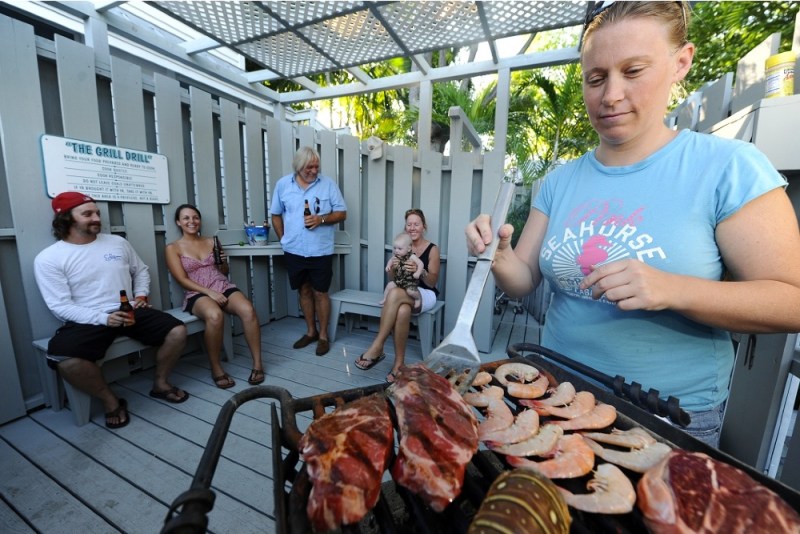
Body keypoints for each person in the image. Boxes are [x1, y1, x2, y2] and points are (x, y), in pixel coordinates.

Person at [465, 1, 800, 448]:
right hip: (554, 391)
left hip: (667, 415)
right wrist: (500, 256)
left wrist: (671, 289)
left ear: (681, 62)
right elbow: (524, 279)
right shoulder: (560, 180)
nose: (611, 95)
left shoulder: (729, 168)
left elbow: (790, 301)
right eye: (596, 78)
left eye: (633, 71)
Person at [34, 192, 190, 429]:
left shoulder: (117, 243)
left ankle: (161, 384)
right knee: (65, 359)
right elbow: (60, 306)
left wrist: (140, 295)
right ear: (66, 218)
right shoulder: (49, 258)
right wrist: (104, 318)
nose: (96, 218)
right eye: (87, 214)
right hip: (89, 317)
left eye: (97, 212)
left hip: (130, 309)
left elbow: (141, 270)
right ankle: (111, 402)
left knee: (177, 331)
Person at [165, 204, 265, 389]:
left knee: (247, 309)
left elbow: (224, 272)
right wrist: (209, 292)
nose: (191, 221)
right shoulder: (173, 248)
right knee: (215, 315)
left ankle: (258, 364)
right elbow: (181, 279)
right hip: (197, 292)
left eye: (195, 217)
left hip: (221, 285)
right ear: (179, 222)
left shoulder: (213, 241)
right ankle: (216, 367)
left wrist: (224, 264)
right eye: (186, 218)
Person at [271, 146, 347, 356]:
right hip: (294, 249)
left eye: (316, 166)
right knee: (303, 290)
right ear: (298, 167)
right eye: (309, 167)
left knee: (321, 292)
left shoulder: (328, 184)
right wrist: (283, 239)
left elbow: (341, 213)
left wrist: (321, 219)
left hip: (320, 250)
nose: (314, 171)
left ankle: (323, 336)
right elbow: (275, 214)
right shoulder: (283, 185)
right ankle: (310, 331)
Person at [355, 209, 440, 383]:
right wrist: (393, 268)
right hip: (403, 293)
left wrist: (420, 271)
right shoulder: (401, 246)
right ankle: (399, 365)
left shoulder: (432, 249)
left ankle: (377, 346)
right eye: (409, 224)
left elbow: (432, 282)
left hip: (424, 294)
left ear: (424, 226)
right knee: (402, 310)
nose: (412, 227)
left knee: (394, 294)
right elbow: (393, 279)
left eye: (416, 224)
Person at [380, 232, 424, 309]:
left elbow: (421, 264)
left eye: (400, 249)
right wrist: (388, 266)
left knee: (411, 291)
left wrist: (418, 272)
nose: (396, 251)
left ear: (409, 248)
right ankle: (385, 299)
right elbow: (391, 260)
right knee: (389, 285)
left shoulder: (411, 256)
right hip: (398, 280)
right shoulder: (396, 256)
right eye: (395, 248)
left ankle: (417, 299)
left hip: (409, 281)